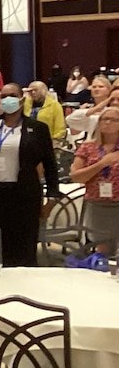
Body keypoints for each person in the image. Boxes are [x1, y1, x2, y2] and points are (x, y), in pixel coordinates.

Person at [0, 84, 61, 266]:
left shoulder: (37, 128)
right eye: (3, 95)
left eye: (12, 95)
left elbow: (50, 164)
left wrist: (52, 197)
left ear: (22, 98)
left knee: (22, 249)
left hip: (23, 194)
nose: (7, 99)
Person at [71, 106, 119, 256]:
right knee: (103, 250)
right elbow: (76, 176)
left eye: (113, 119)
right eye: (104, 119)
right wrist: (101, 164)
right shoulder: (88, 147)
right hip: (97, 205)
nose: (107, 122)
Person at [68, 75, 112, 140]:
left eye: (101, 87)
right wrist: (81, 112)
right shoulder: (86, 108)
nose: (97, 89)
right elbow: (74, 132)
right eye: (94, 87)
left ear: (109, 90)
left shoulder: (113, 108)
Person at [24, 80, 67, 145]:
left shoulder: (54, 105)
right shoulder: (25, 103)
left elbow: (60, 127)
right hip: (27, 140)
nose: (33, 92)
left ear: (43, 91)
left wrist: (55, 141)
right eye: (30, 91)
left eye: (35, 90)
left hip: (47, 141)